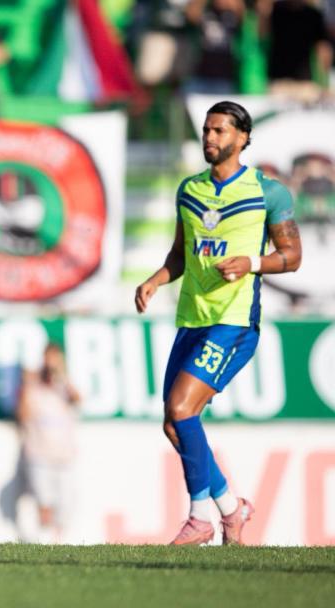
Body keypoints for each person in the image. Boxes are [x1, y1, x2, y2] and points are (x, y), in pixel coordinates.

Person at [135, 101, 302, 545]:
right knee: (174, 423)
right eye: (207, 131)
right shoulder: (189, 190)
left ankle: (200, 517)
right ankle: (233, 508)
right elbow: (180, 256)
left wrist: (251, 262)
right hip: (192, 317)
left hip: (234, 321)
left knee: (182, 410)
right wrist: (155, 280)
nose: (210, 138)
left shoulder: (269, 193)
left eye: (220, 131)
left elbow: (292, 258)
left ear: (243, 138)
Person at [16, 343, 81, 544]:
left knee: (66, 503)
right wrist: (28, 384)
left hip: (64, 454)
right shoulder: (32, 385)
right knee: (44, 501)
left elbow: (78, 399)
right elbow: (23, 414)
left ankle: (58, 541)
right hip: (39, 452)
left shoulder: (64, 385)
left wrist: (62, 377)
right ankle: (43, 540)